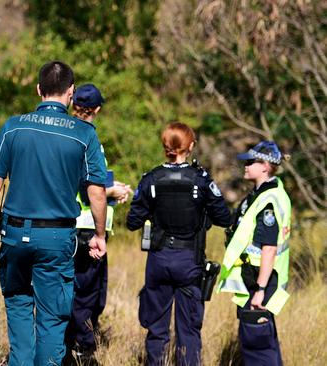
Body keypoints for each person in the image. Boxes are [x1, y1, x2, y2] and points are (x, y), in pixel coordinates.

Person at [0, 61, 108, 366]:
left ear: (39, 90)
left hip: (13, 234)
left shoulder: (13, 126)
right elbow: (97, 191)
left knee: (19, 306)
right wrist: (99, 235)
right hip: (56, 237)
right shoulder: (84, 134)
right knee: (52, 317)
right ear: (71, 93)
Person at [126, 122, 232, 366]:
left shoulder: (150, 179)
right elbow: (224, 218)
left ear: (165, 146)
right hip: (189, 262)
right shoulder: (201, 180)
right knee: (189, 330)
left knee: (157, 329)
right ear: (191, 146)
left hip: (159, 260)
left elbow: (133, 222)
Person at [64, 84, 133, 361]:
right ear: (98, 109)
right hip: (86, 231)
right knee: (87, 296)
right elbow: (88, 188)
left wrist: (110, 186)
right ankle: (82, 351)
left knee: (72, 291)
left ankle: (67, 347)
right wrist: (113, 192)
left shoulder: (64, 133)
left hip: (67, 226)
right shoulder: (87, 138)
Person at [218, 141, 291, 366]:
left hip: (261, 282)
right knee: (262, 341)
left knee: (258, 347)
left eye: (251, 162)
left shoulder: (269, 200)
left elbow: (268, 248)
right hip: (253, 277)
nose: (246, 165)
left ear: (266, 167)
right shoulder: (259, 194)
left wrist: (260, 290)